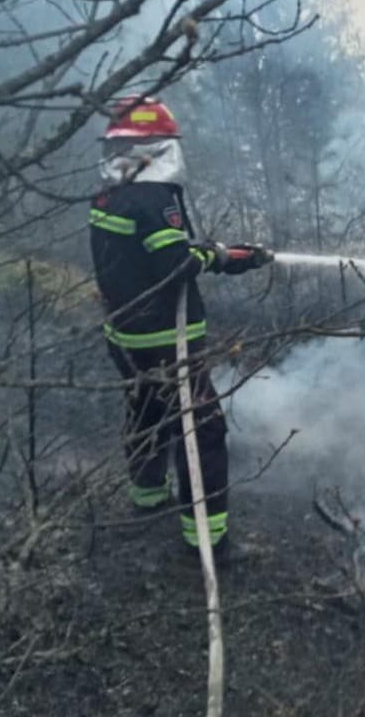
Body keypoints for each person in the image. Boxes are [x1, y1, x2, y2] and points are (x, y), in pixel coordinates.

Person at [89, 96, 271, 557]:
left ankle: (148, 497)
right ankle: (209, 541)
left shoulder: (110, 193)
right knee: (202, 430)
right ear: (151, 148)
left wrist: (222, 255)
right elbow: (175, 263)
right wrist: (220, 256)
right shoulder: (153, 197)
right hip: (166, 341)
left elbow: (146, 256)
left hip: (125, 334)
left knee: (145, 409)